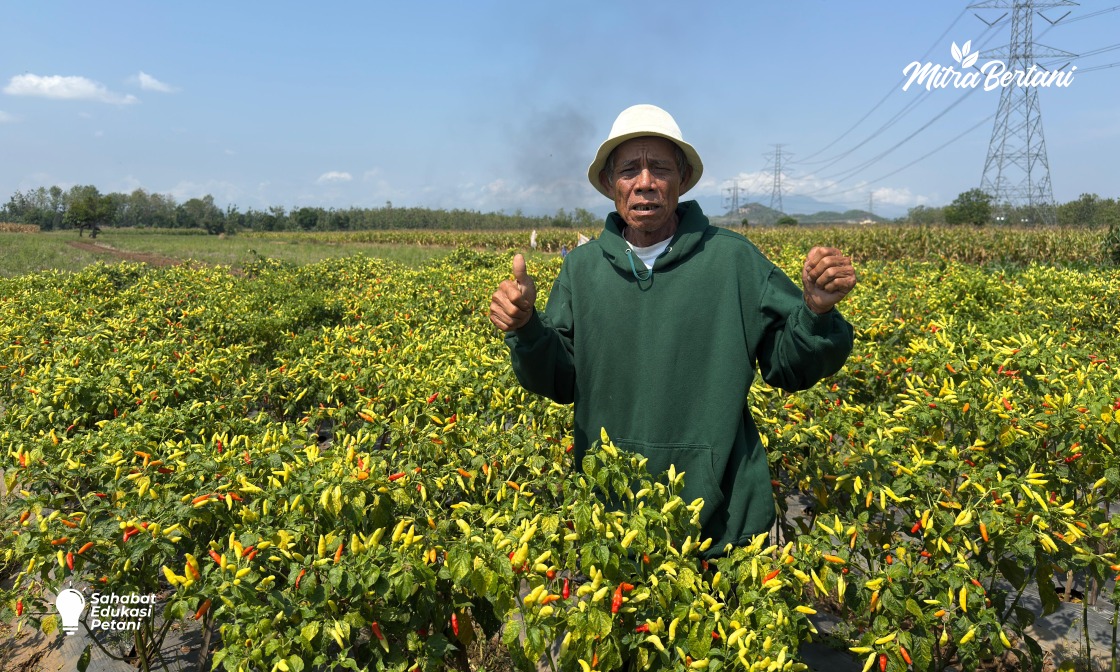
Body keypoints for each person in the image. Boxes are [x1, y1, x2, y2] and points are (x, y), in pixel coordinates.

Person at [489, 104, 857, 557]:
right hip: (612, 517)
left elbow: (789, 366)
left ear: (681, 179)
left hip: (722, 524)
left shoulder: (733, 261)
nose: (644, 182)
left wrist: (816, 310)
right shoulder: (581, 271)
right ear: (610, 183)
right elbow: (560, 380)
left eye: (660, 168)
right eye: (629, 169)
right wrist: (527, 328)